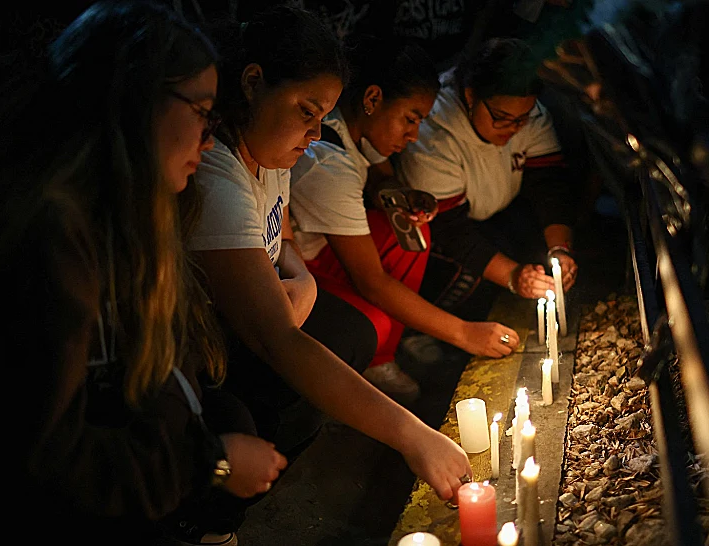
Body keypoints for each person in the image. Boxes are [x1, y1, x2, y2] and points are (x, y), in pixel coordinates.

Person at [0, 2, 286, 544]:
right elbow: (42, 456)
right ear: (133, 101)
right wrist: (211, 464)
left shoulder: (126, 216)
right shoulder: (47, 238)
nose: (209, 137)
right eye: (201, 112)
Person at [192, 4, 473, 503]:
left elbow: (283, 238)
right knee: (307, 369)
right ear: (253, 82)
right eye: (307, 111)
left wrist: (303, 283)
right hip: (206, 345)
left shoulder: (269, 152)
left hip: (273, 303)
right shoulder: (217, 175)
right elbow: (275, 333)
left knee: (352, 332)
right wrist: (415, 437)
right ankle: (210, 510)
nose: (317, 133)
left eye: (323, 117)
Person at [288, 34, 520, 402]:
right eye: (410, 120)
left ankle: (389, 348)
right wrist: (465, 333)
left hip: (329, 247)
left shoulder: (351, 127)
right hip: (300, 263)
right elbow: (372, 282)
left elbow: (382, 179)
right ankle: (371, 360)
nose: (413, 136)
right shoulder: (328, 167)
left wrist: (401, 197)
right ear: (373, 99)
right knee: (374, 323)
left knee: (413, 228)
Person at [394, 37, 579, 310]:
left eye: (522, 118)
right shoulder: (434, 136)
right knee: (468, 276)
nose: (513, 128)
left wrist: (560, 250)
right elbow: (451, 230)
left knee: (534, 248)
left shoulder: (531, 117)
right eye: (501, 117)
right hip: (436, 233)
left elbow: (549, 185)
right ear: (471, 96)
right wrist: (515, 277)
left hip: (495, 210)